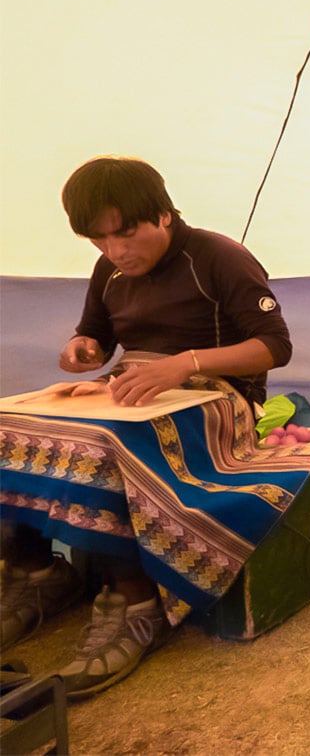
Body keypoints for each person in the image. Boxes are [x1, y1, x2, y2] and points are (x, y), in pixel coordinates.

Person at [0, 155, 293, 697]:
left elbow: (275, 347)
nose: (115, 251)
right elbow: (95, 334)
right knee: (9, 427)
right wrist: (82, 348)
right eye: (99, 239)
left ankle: (135, 602)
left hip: (221, 400)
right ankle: (35, 573)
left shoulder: (219, 257)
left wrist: (186, 362)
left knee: (103, 445)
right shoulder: (108, 269)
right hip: (131, 391)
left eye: (126, 233)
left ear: (162, 214)